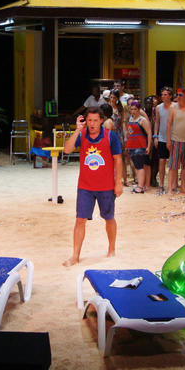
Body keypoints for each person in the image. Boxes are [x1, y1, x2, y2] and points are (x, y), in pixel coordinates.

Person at [62, 107, 123, 267]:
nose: (92, 123)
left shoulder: (110, 136)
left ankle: (111, 249)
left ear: (101, 120)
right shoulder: (82, 134)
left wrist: (118, 182)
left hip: (106, 186)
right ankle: (75, 256)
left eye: (95, 120)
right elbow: (67, 149)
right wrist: (77, 130)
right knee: (80, 220)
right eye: (89, 120)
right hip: (85, 186)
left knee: (108, 218)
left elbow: (118, 159)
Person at [166, 89, 185, 194]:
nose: (178, 97)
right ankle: (170, 188)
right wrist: (168, 141)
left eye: (181, 95)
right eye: (177, 95)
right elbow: (169, 124)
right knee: (173, 166)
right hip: (176, 140)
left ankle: (183, 187)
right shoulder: (172, 107)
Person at [125, 100, 151, 193]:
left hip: (140, 146)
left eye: (135, 109)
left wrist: (148, 146)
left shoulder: (142, 120)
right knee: (136, 166)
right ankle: (140, 184)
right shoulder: (130, 119)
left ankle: (140, 186)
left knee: (140, 166)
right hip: (131, 146)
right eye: (131, 109)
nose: (133, 111)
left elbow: (149, 133)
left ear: (139, 110)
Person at [153, 87, 173, 194]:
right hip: (161, 137)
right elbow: (157, 122)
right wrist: (155, 136)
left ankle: (172, 184)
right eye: (162, 95)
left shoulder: (175, 107)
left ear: (170, 96)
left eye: (165, 94)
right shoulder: (158, 108)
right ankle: (161, 184)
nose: (163, 96)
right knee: (162, 161)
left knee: (172, 163)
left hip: (173, 137)